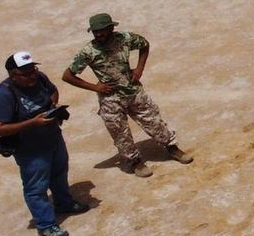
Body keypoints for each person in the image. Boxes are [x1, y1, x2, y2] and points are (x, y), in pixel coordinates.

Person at [62, 13, 189, 176]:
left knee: (153, 120)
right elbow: (67, 76)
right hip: (110, 100)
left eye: (102, 30)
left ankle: (172, 148)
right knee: (120, 133)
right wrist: (95, 87)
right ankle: (135, 162)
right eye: (95, 32)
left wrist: (139, 68)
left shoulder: (125, 38)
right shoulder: (88, 52)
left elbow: (144, 44)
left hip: (134, 91)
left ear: (111, 28)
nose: (99, 34)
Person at [0, 52, 86, 236]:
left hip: (53, 138)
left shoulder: (40, 78)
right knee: (36, 187)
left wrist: (53, 106)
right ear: (13, 75)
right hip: (30, 149)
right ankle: (46, 224)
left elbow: (53, 90)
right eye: (26, 73)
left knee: (59, 172)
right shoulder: (3, 94)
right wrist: (32, 123)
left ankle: (63, 203)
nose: (33, 75)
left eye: (33, 69)